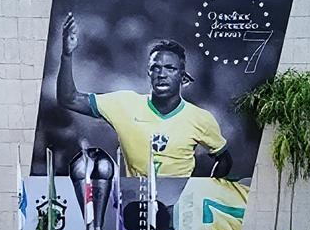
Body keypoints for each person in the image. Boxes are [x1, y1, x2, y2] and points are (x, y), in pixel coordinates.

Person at [56, 12, 233, 178]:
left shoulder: (201, 116)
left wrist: (204, 189)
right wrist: (67, 55)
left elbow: (223, 158)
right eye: (156, 68)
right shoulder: (123, 98)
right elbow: (69, 99)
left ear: (183, 75)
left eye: (170, 68)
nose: (162, 74)